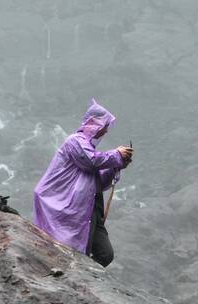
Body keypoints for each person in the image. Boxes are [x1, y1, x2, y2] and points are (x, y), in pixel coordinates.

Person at [33, 98, 133, 267]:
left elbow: (98, 181)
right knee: (78, 249)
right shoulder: (75, 141)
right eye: (105, 125)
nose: (106, 130)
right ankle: (75, 275)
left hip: (91, 208)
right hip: (73, 205)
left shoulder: (86, 146)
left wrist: (118, 165)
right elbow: (91, 162)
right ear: (94, 123)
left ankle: (83, 274)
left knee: (105, 254)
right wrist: (116, 154)